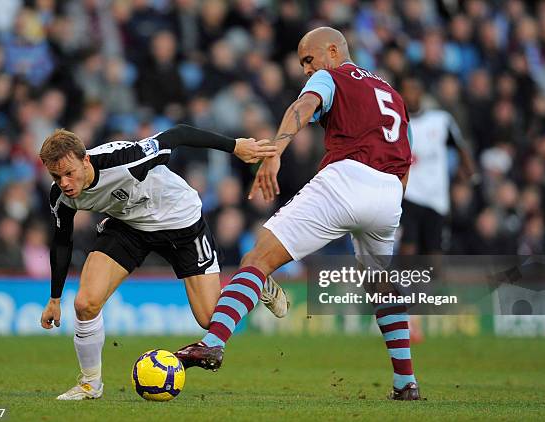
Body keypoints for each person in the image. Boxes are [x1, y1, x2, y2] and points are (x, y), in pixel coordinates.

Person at [176, 27, 421, 400]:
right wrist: (391, 205)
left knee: (258, 257)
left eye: (309, 59)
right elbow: (406, 160)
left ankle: (213, 341)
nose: (307, 69)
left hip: (347, 178)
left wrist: (275, 151)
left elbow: (301, 108)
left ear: (333, 51)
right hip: (389, 194)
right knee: (380, 283)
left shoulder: (332, 76)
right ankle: (406, 383)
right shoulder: (392, 93)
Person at [39, 124, 288, 400]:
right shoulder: (60, 195)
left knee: (210, 319)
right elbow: (62, 242)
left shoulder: (127, 159)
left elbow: (178, 134)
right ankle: (90, 384)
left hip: (181, 222)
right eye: (56, 176)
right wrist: (55, 298)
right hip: (129, 227)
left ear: (85, 160)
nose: (64, 183)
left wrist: (235, 146)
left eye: (69, 173)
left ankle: (255, 280)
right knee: (85, 304)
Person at [399, 76, 476, 256]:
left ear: (421, 92)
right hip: (409, 194)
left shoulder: (440, 120)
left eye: (413, 90)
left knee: (434, 250)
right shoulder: (399, 123)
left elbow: (460, 147)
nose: (409, 95)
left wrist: (471, 174)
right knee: (408, 244)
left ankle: (432, 284)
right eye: (405, 91)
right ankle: (403, 283)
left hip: (436, 197)